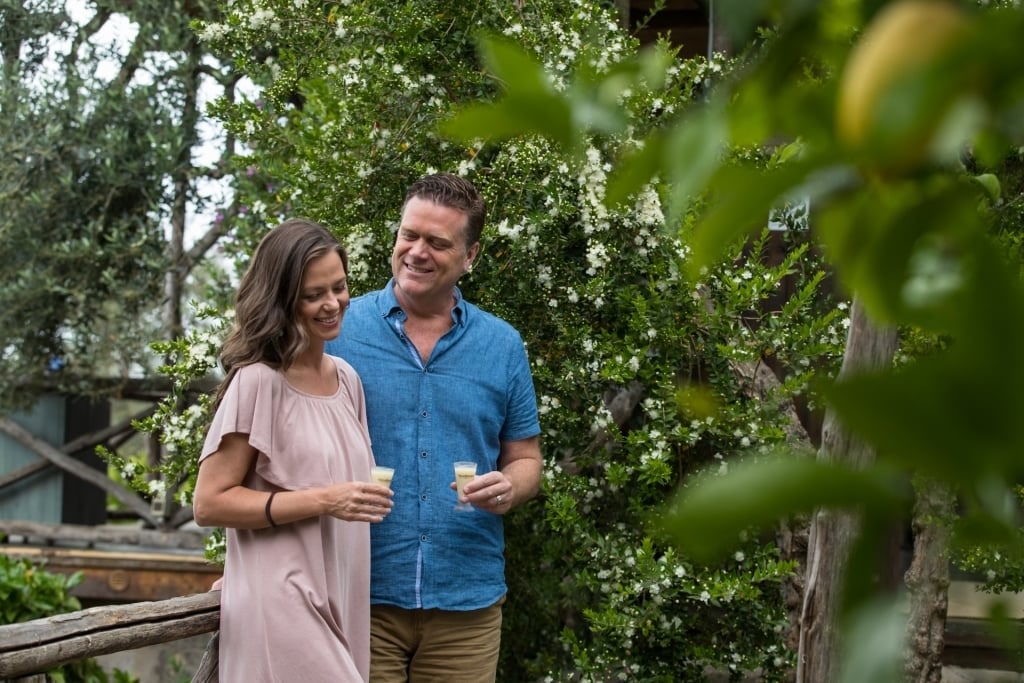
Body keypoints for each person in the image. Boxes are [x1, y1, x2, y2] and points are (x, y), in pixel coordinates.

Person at [325, 173, 543, 682]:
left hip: (466, 606)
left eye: (438, 242)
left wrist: (511, 486)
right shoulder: (335, 332)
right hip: (358, 593)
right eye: (409, 235)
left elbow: (527, 457)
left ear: (471, 256)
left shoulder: (502, 346)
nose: (416, 252)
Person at [193, 218, 394, 683]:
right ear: (282, 300)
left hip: (342, 598)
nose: (332, 304)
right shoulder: (257, 382)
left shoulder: (347, 381)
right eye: (313, 294)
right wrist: (326, 500)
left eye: (339, 287)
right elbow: (210, 501)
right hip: (283, 602)